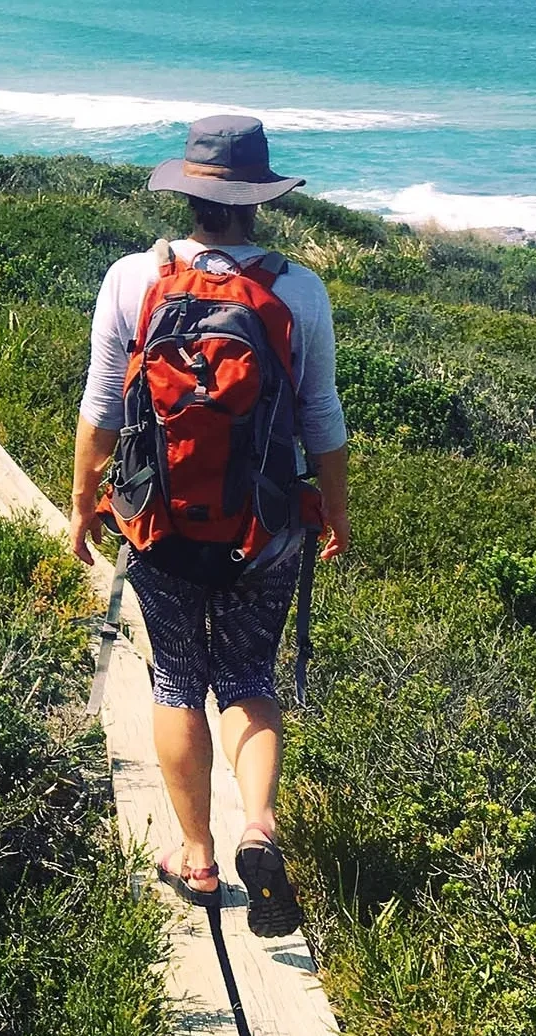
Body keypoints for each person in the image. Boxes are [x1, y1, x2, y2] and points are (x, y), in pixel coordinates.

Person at [68, 115, 349, 938]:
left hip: (158, 525)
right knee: (250, 679)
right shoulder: (297, 289)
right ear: (260, 201)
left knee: (175, 680)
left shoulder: (131, 278)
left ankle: (195, 856)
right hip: (264, 528)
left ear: (189, 194)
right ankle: (256, 827)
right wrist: (334, 508)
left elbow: (102, 410)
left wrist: (85, 502)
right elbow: (321, 414)